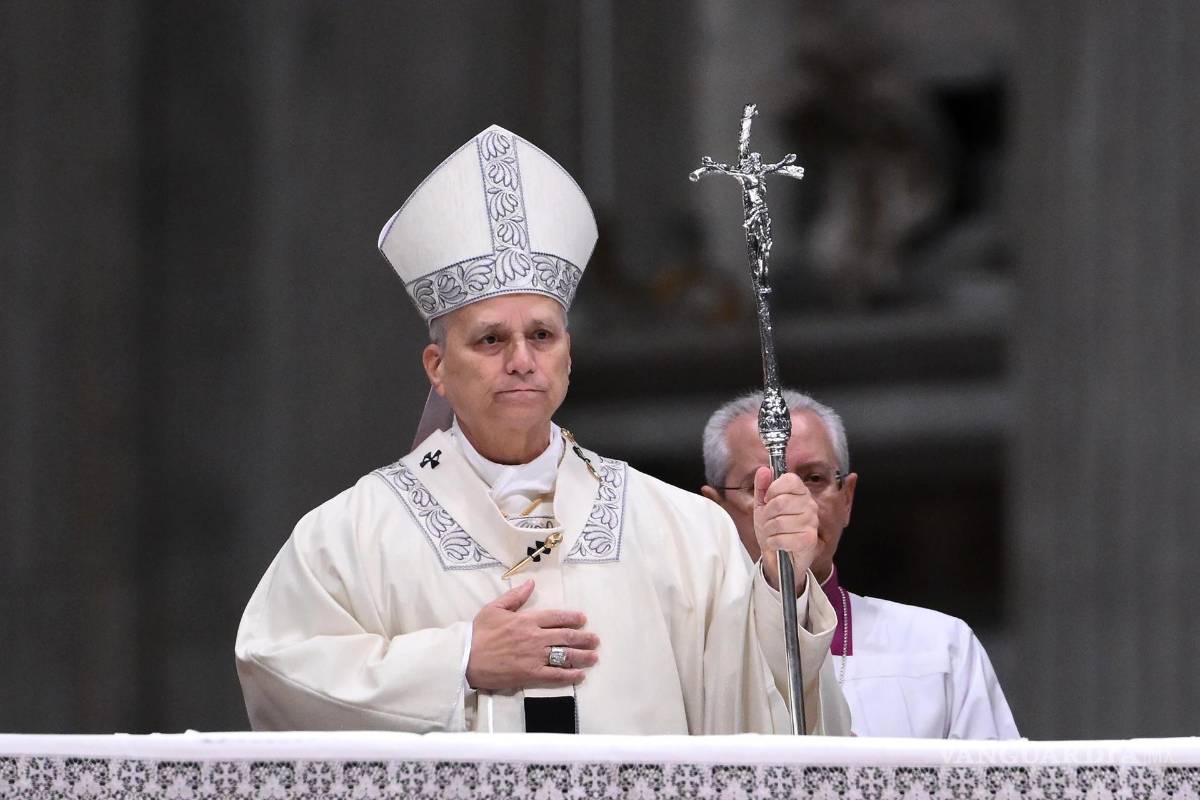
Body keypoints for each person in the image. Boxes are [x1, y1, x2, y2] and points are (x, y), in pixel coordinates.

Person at [235, 126, 851, 735]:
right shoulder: (352, 535)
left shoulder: (684, 531)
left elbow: (762, 708)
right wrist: (457, 662)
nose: (521, 360)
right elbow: (275, 666)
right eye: (490, 339)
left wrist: (781, 586)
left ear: (568, 356)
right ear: (438, 368)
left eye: (542, 335)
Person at [701, 389, 1020, 739]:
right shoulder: (693, 654)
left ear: (847, 499)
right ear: (715, 510)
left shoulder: (940, 649)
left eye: (814, 479)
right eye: (760, 484)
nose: (791, 502)